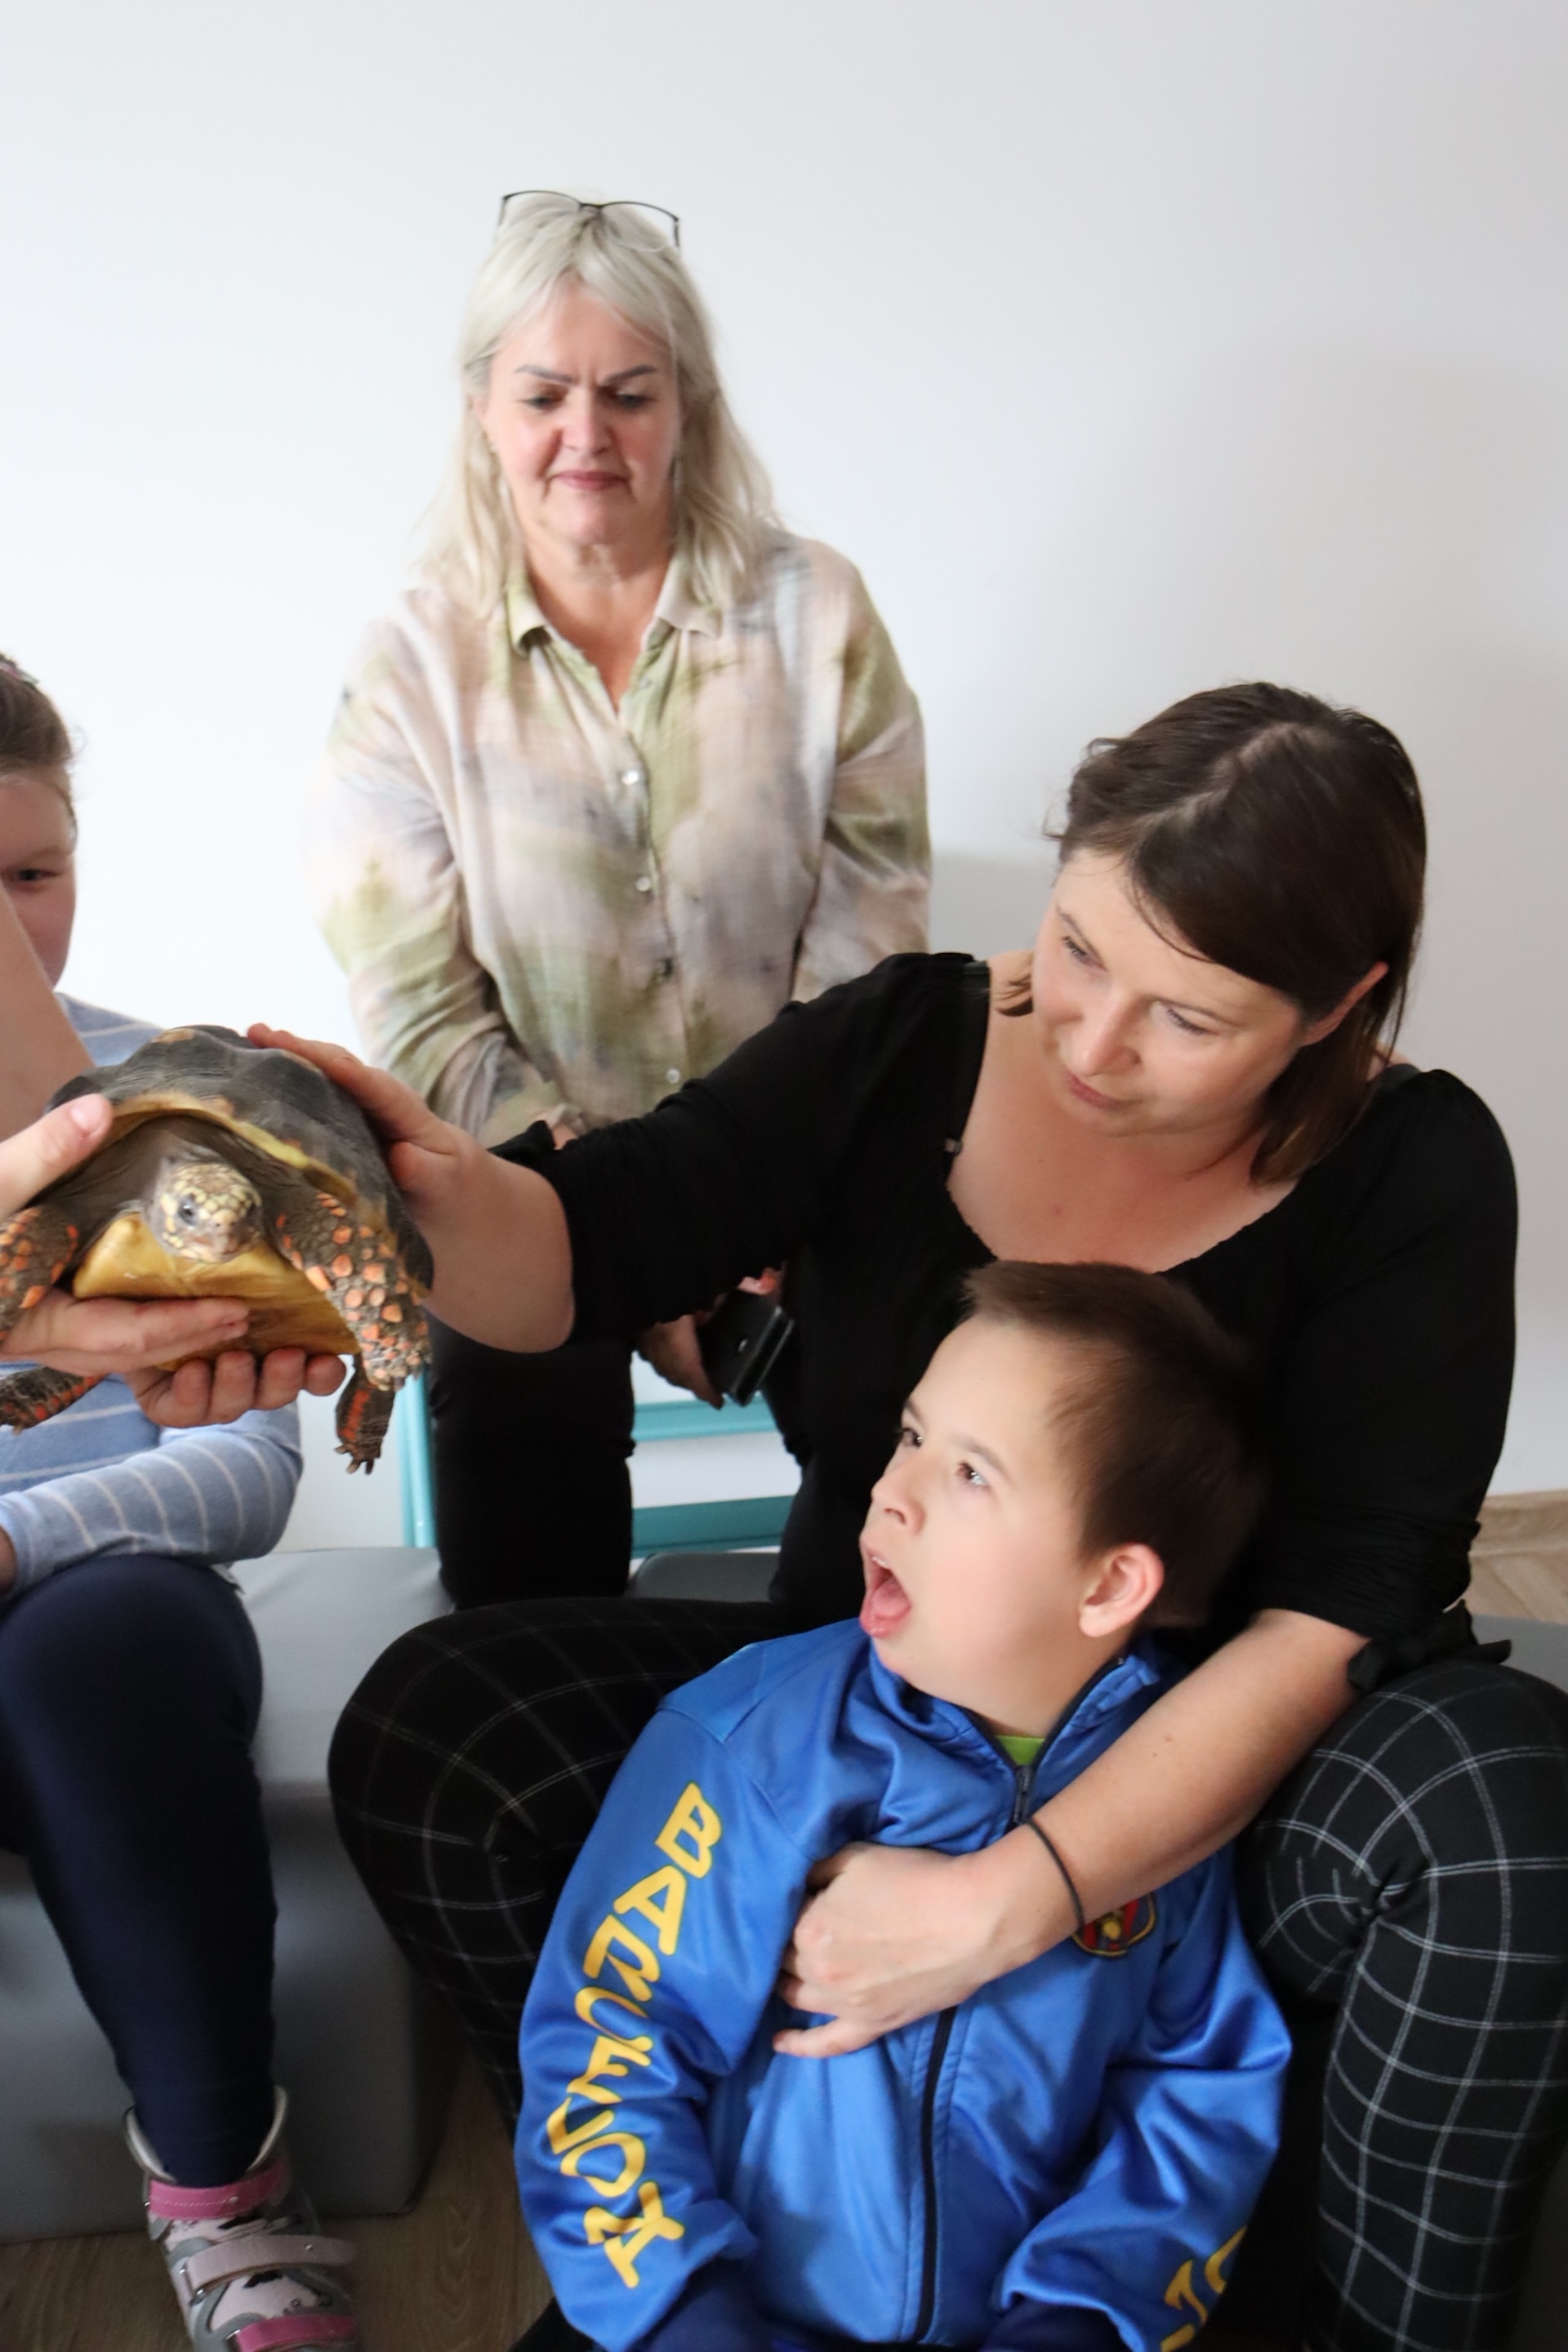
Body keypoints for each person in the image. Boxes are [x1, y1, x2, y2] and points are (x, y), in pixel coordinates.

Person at [264, 680, 1568, 2352]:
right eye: (1079, 949)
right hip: (869, 1700)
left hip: (1223, 1779)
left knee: (1502, 1804)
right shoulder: (899, 1044)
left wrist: (1008, 1901)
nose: (1092, 1043)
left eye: (1187, 1018)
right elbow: (591, 1243)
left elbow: (1343, 1608)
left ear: (1339, 1007)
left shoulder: (1417, 1169)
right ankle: (720, 2225)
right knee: (442, 1730)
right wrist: (415, 1202)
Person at [303, 190, 929, 1606]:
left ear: (687, 404)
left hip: (802, 1165)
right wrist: (630, 1225)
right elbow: (418, 1008)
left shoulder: (821, 614)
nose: (585, 435)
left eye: (630, 394)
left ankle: (858, 1691)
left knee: (917, 1391)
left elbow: (875, 941)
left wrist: (747, 1201)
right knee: (512, 1383)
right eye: (544, 395)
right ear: (483, 407)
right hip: (534, 1178)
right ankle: (552, 1693)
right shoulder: (409, 667)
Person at [516, 1263, 1290, 2352]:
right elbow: (608, 2041)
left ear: (1110, 1587)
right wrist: (683, 2311)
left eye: (970, 1472)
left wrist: (1078, 2318)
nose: (893, 1492)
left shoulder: (1169, 1800)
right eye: (912, 1435)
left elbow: (1195, 2090)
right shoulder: (757, 1744)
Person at [0, 656, 363, 2352]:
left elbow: (248, 1463)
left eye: (32, 873)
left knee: (103, 1646)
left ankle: (227, 2196)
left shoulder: (178, 1098)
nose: (8, 929)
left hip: (101, 1617)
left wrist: (16, 1541)